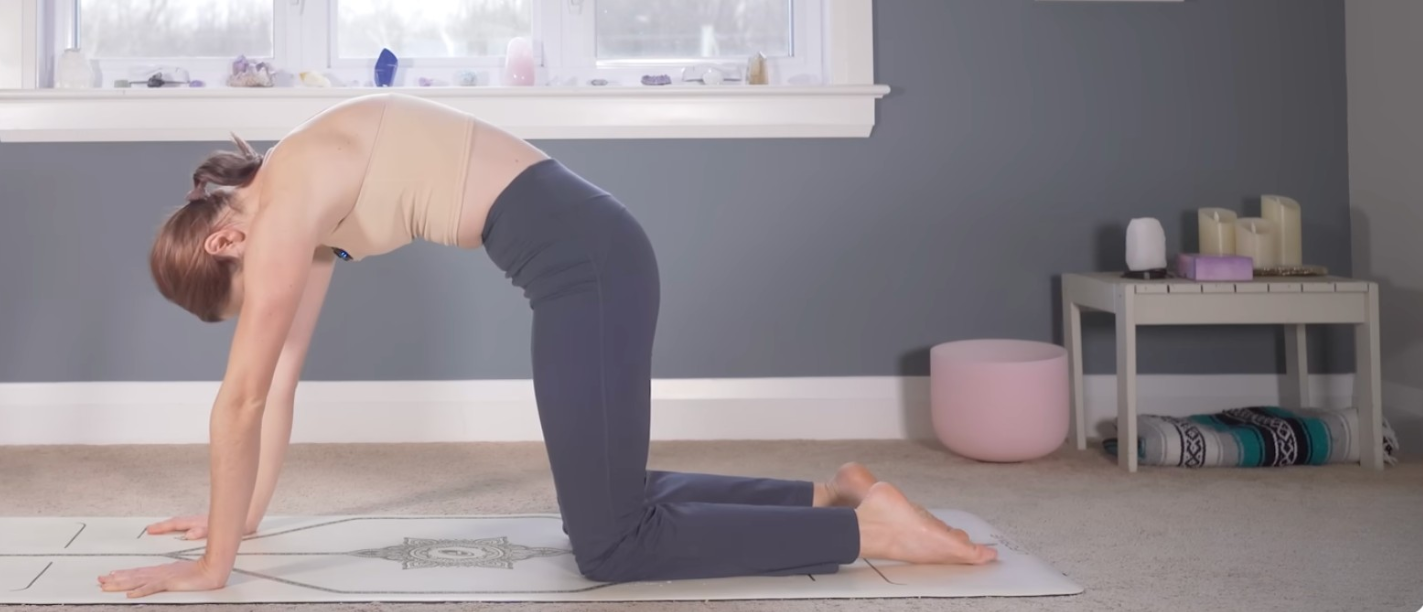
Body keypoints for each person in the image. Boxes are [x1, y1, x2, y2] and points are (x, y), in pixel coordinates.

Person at [100, 94, 995, 599]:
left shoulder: (287, 200)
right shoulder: (304, 200)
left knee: (611, 546)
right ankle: (829, 492)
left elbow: (242, 395)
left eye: (245, 294)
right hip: (586, 259)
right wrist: (238, 523)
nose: (265, 299)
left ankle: (863, 530)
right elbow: (283, 382)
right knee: (611, 500)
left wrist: (211, 570)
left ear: (226, 246)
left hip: (588, 265)